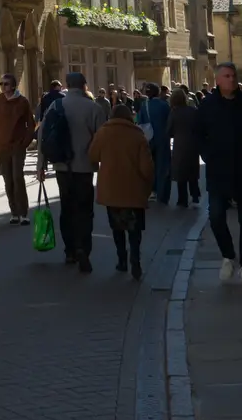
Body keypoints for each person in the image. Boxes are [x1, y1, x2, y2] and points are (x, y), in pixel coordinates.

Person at [194, 63, 242, 286]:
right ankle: (228, 255)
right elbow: (198, 134)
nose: (231, 79)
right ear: (217, 80)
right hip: (218, 170)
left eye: (233, 75)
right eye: (226, 76)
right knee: (216, 216)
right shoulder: (208, 106)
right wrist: (208, 155)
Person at [40, 72, 106, 271]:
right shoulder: (94, 108)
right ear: (84, 85)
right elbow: (102, 139)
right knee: (85, 210)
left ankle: (69, 250)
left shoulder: (56, 105)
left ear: (67, 85)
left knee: (67, 208)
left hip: (62, 166)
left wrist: (41, 166)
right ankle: (83, 248)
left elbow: (43, 135)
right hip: (85, 167)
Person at [89, 105, 155, 279]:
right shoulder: (138, 135)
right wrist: (148, 186)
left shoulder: (103, 132)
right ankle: (135, 259)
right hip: (134, 189)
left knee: (117, 227)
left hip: (111, 189)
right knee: (135, 229)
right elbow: (147, 167)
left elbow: (93, 155)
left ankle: (122, 260)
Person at [0, 73, 37, 225]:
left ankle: (23, 213)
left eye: (6, 84)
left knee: (17, 177)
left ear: (13, 86)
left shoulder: (22, 102)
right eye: (1, 84)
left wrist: (25, 142)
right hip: (2, 146)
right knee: (8, 179)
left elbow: (31, 124)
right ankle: (14, 212)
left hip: (18, 146)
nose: (3, 86)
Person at [169, 88, 201, 208]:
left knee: (181, 172)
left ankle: (182, 199)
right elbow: (199, 127)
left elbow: (169, 130)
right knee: (192, 170)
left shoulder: (174, 112)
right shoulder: (193, 110)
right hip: (192, 143)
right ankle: (195, 194)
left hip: (179, 144)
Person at [141, 83, 172, 204]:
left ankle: (152, 191)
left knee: (150, 166)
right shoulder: (164, 105)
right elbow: (170, 121)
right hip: (163, 139)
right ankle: (163, 194)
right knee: (163, 166)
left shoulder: (144, 105)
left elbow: (140, 122)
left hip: (149, 139)